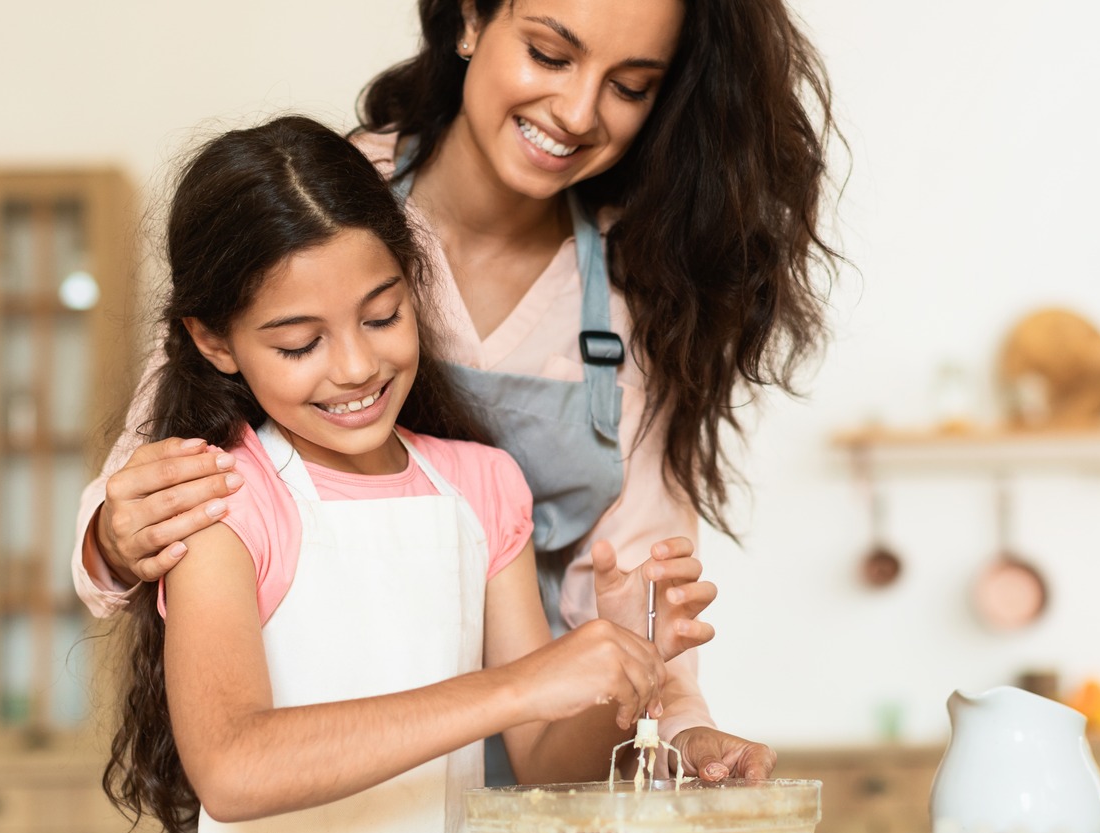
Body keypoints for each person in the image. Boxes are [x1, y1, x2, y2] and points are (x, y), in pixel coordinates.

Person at [76, 0, 834, 783]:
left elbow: (631, 594)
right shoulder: (322, 202)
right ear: (470, 18)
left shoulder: (642, 288)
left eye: (631, 86)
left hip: (517, 789)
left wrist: (674, 727)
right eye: (549, 54)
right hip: (287, 797)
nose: (577, 112)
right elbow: (152, 475)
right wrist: (117, 532)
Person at [103, 114, 718, 833]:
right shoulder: (222, 500)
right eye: (299, 344)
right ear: (215, 342)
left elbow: (544, 762)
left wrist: (623, 660)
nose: (357, 366)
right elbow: (233, 766)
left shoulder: (484, 486)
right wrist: (518, 686)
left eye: (382, 315)